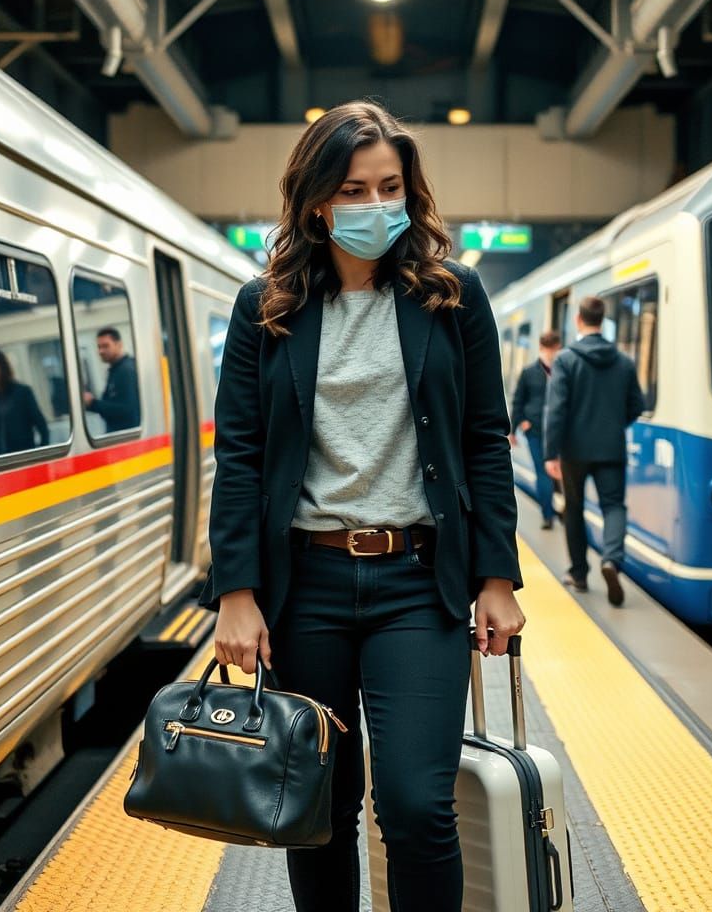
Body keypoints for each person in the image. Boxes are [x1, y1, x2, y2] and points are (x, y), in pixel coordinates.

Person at [201, 101, 524, 912]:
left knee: (417, 806)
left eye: (391, 187)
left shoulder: (453, 297)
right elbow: (238, 455)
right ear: (316, 200)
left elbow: (486, 438)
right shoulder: (265, 308)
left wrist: (497, 576)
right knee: (319, 813)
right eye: (354, 189)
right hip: (303, 587)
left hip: (419, 582)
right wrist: (235, 594)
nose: (377, 205)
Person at [543, 296, 645, 607]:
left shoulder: (566, 359)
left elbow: (557, 409)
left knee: (573, 508)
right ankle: (611, 559)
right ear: (603, 321)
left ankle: (579, 574)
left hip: (575, 450)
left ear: (578, 320)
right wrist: (614, 425)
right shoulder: (624, 361)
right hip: (611, 448)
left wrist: (551, 452)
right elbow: (637, 406)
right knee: (614, 506)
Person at [509, 330, 562, 529]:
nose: (551, 354)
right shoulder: (529, 372)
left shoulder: (562, 370)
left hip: (558, 431)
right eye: (548, 349)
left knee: (558, 472)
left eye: (554, 349)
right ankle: (548, 515)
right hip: (535, 430)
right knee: (543, 473)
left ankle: (559, 510)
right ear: (541, 348)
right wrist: (517, 426)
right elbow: (518, 400)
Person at [0, 348, 50, 455]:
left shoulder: (23, 392)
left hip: (25, 454)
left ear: (2, 366)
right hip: (2, 458)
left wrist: (41, 454)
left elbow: (42, 426)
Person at [83, 327, 140, 431]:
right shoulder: (115, 370)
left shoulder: (126, 370)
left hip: (127, 436)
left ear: (119, 345)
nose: (101, 351)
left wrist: (93, 403)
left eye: (105, 346)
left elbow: (126, 410)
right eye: (99, 347)